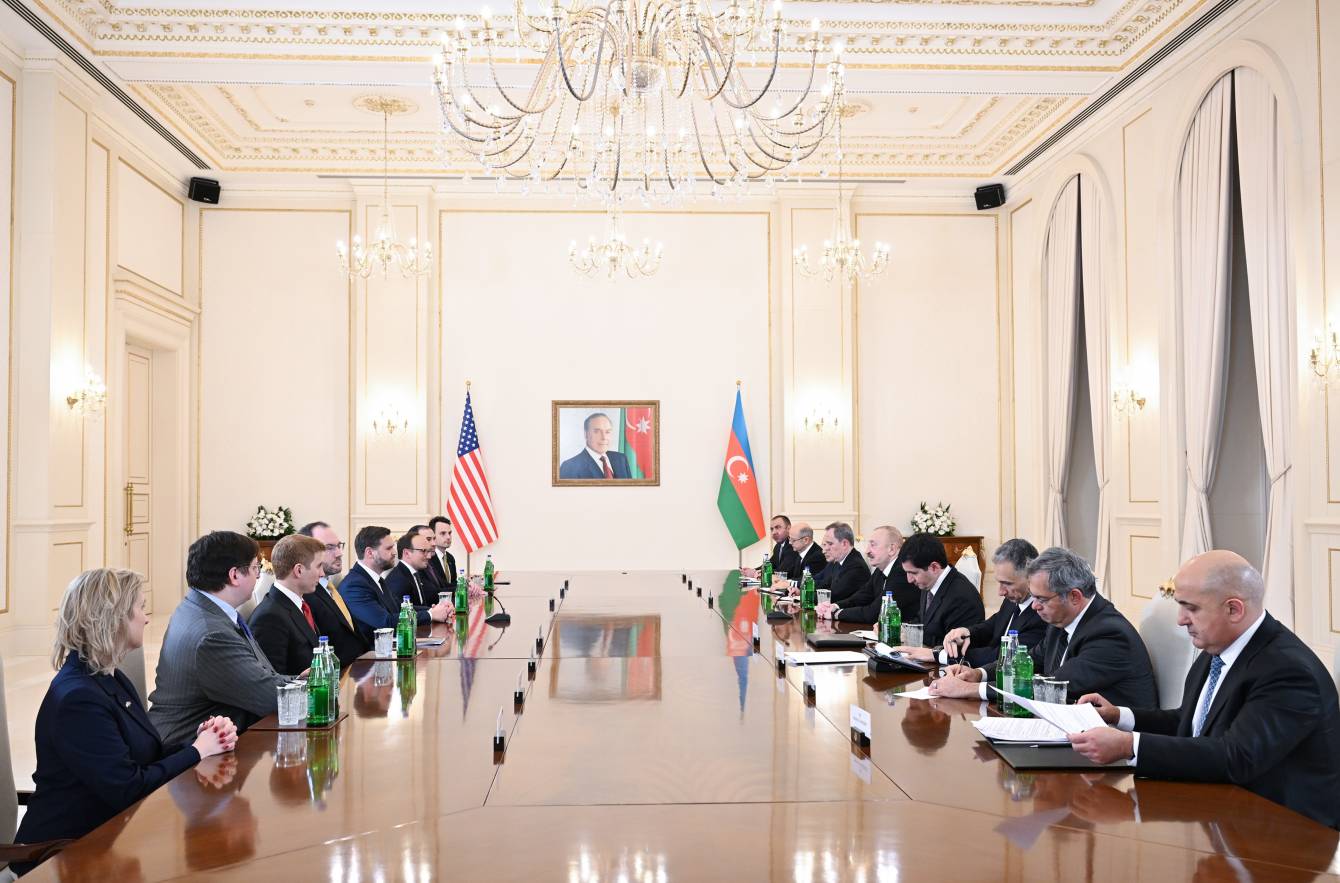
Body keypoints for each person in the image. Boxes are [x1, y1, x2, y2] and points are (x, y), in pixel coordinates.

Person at [1068, 550, 1340, 829]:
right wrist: (1119, 716)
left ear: (1234, 610)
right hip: (1224, 812)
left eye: (1192, 608)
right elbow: (1191, 723)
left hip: (1287, 832)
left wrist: (1129, 745)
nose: (1180, 619)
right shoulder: (1219, 649)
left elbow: (1236, 757)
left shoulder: (1287, 670)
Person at [11, 569, 236, 875]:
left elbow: (145, 755)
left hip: (109, 840)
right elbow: (128, 788)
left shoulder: (107, 676)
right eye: (140, 608)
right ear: (113, 618)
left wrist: (200, 740)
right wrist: (198, 751)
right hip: (63, 856)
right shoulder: (79, 699)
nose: (146, 618)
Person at [930, 546, 1157, 708]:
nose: (1035, 606)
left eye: (1042, 599)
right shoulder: (1061, 620)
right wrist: (977, 674)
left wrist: (969, 690)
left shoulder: (1109, 634)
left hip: (1114, 741)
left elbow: (1052, 685)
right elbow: (1031, 660)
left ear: (1074, 596)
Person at [148, 531, 294, 745]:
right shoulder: (212, 635)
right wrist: (317, 687)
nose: (258, 576)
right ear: (234, 575)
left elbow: (263, 676)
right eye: (255, 568)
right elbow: (272, 699)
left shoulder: (200, 607)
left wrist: (300, 680)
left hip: (220, 734)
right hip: (190, 748)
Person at [898, 539, 1045, 666]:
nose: (1001, 592)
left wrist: (939, 655)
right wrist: (967, 632)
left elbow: (1003, 656)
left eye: (1007, 583)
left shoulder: (1042, 613)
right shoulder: (1015, 598)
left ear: (1030, 576)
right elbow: (993, 625)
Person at [339, 525, 452, 644]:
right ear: (370, 552)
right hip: (374, 652)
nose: (394, 553)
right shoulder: (354, 585)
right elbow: (385, 622)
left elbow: (399, 607)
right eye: (389, 548)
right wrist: (430, 615)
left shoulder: (377, 579)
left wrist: (437, 609)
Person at [247, 535, 326, 676]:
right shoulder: (269, 617)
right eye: (319, 566)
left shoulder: (298, 604)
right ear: (299, 570)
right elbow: (271, 679)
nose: (322, 573)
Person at [297, 520, 368, 665]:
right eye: (329, 548)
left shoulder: (329, 587)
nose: (339, 553)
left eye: (339, 545)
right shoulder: (306, 595)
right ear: (307, 553)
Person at [897, 532, 984, 649]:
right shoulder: (929, 582)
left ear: (934, 567)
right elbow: (923, 621)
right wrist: (899, 629)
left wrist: (908, 634)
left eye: (913, 573)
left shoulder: (961, 597)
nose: (909, 580)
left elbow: (953, 646)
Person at [816, 526, 918, 624]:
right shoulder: (880, 570)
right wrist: (834, 606)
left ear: (891, 549)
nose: (867, 551)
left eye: (873, 545)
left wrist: (836, 614)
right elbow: (861, 596)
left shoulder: (902, 573)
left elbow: (874, 613)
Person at [558, 412, 631, 479]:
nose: (604, 437)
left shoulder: (621, 459)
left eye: (607, 432)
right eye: (597, 432)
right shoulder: (570, 467)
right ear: (586, 434)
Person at [812, 522, 870, 603]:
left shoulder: (856, 567)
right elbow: (824, 583)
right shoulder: (837, 561)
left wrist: (805, 595)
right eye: (824, 545)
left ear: (844, 544)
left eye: (830, 544)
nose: (824, 550)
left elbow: (834, 595)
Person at [383, 529, 439, 609]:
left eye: (429, 551)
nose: (429, 556)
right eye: (423, 551)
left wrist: (435, 609)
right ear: (407, 553)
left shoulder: (413, 573)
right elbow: (401, 611)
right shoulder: (398, 580)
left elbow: (418, 606)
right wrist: (431, 611)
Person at [743, 516, 799, 580]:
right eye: (772, 529)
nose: (774, 532)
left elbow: (782, 572)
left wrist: (755, 573)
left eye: (778, 527)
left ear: (788, 528)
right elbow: (770, 564)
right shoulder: (778, 546)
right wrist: (754, 570)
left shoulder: (793, 546)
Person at [427, 515, 458, 588]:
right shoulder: (428, 558)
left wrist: (466, 585)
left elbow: (453, 583)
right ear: (432, 535)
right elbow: (438, 588)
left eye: (449, 533)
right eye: (443, 533)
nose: (448, 537)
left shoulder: (450, 558)